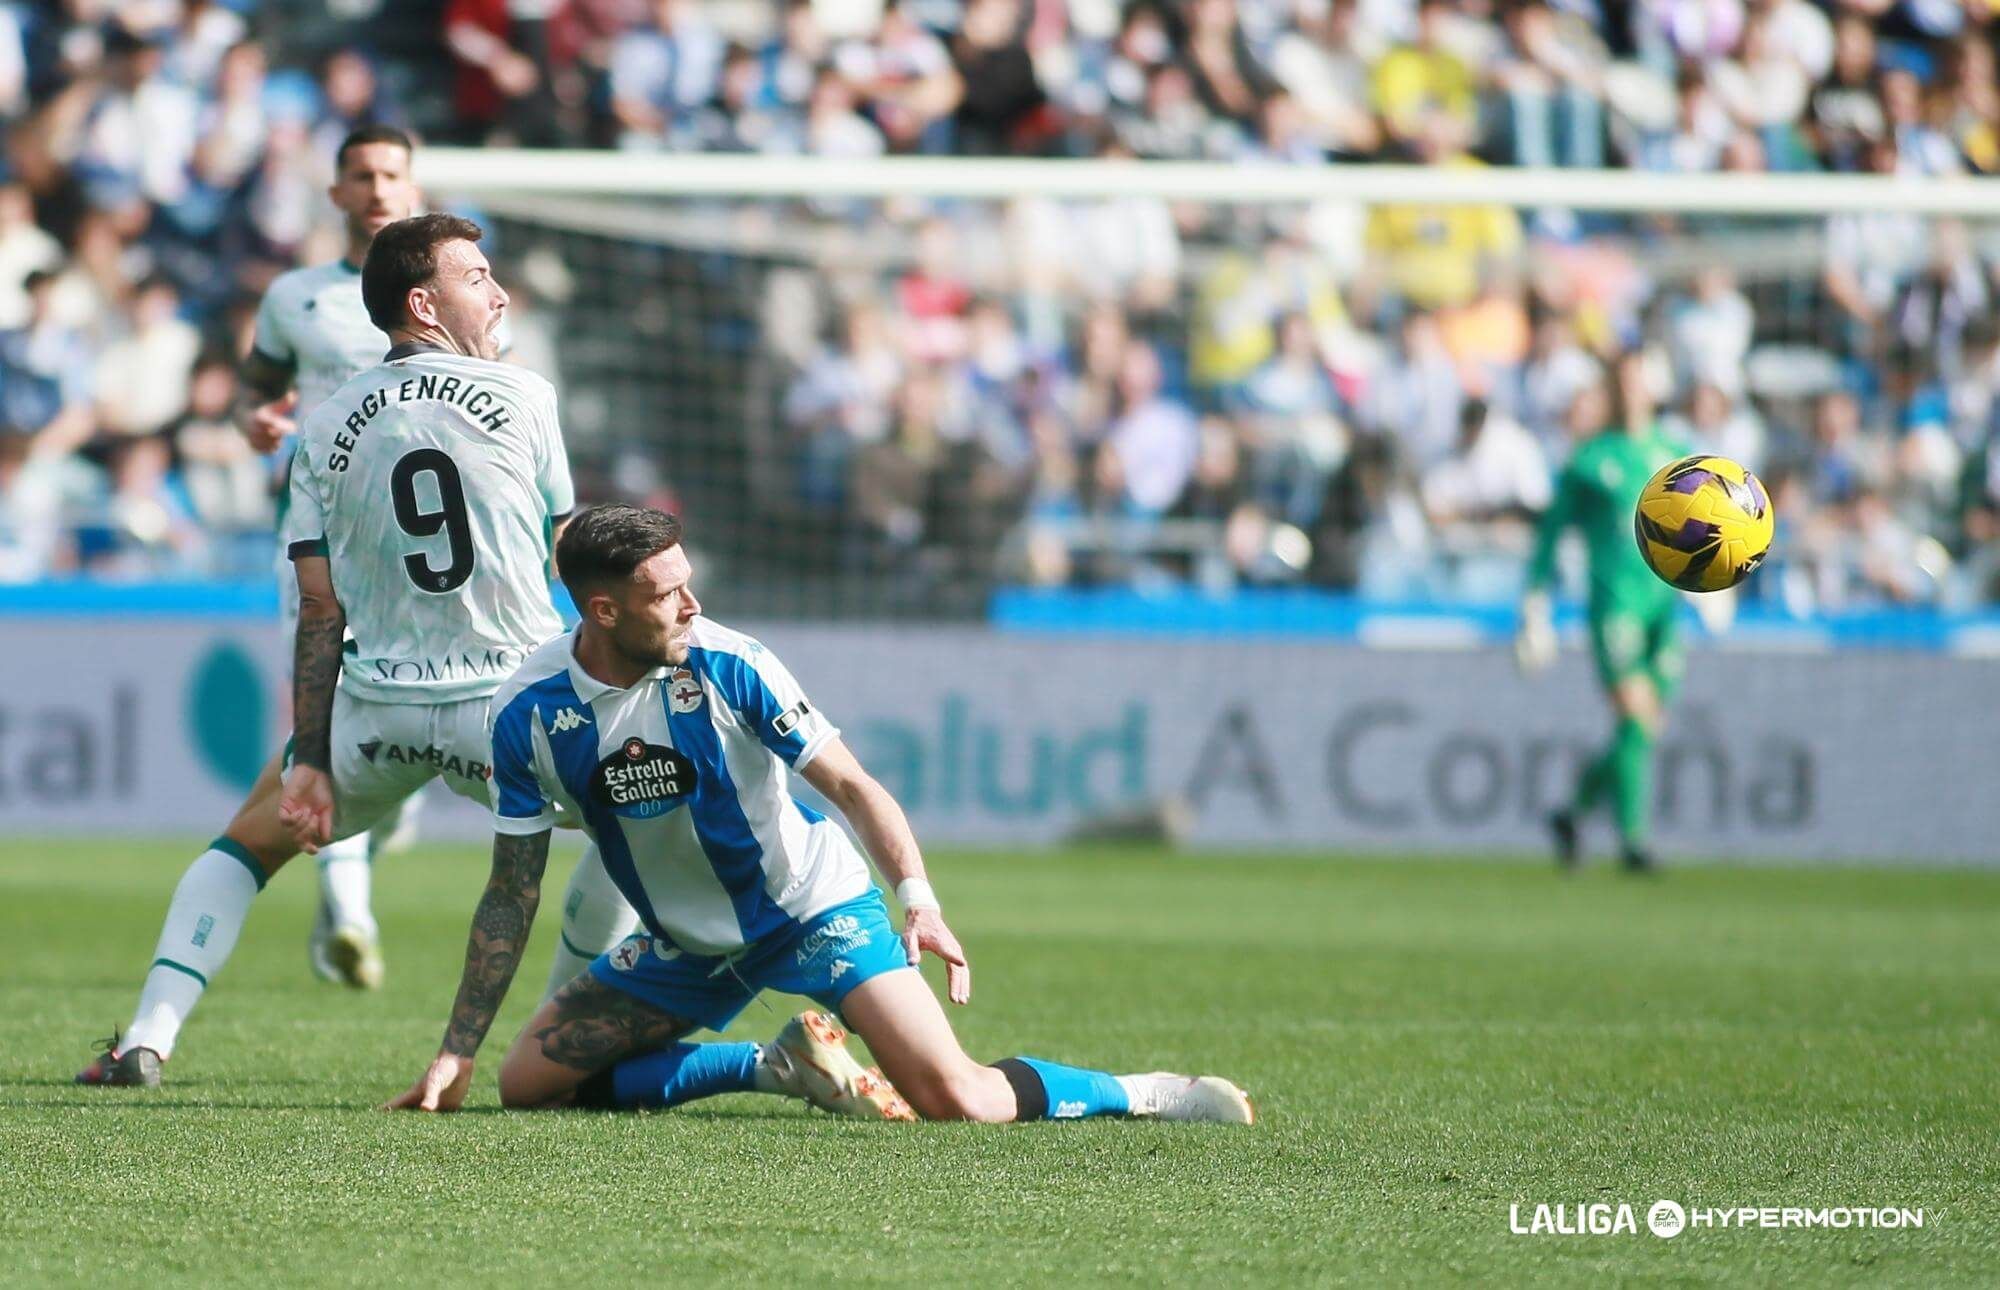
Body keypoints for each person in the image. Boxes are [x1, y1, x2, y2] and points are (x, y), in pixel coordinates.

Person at [387, 504, 1255, 1126]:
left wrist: (918, 898)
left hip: (810, 908)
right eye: (668, 595)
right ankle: (775, 1067)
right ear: (602, 611)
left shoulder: (733, 664)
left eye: (690, 584)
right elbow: (510, 891)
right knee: (530, 1083)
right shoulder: (527, 711)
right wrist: (458, 1048)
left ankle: (1144, 1091)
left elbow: (855, 788)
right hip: (690, 944)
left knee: (957, 1100)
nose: (693, 606)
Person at [73, 215, 612, 1087]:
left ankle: (146, 1038)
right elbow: (572, 564)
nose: (500, 291)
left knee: (244, 849)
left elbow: (318, 609)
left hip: (379, 705)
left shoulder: (323, 427)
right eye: (477, 276)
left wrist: (313, 758)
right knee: (634, 822)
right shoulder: (525, 397)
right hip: (507, 707)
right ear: (423, 303)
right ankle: (558, 1042)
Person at [233, 124, 420, 987]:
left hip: (415, 551)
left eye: (392, 174)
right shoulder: (296, 296)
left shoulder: (444, 295)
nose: (377, 188)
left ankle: (355, 867)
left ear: (412, 188)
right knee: (325, 719)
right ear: (337, 192)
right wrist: (256, 420)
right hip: (312, 539)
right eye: (361, 175)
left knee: (402, 741)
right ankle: (349, 910)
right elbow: (254, 390)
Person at [1516, 357, 1690, 874]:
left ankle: (1572, 814)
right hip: (1613, 605)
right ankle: (1633, 842)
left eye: (1640, 381)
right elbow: (1550, 536)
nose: (1632, 391)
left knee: (1644, 728)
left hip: (1665, 604)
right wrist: (1535, 604)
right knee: (1635, 716)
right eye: (1623, 382)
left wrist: (1718, 587)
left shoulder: (1675, 456)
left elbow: (1704, 531)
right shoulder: (1591, 460)